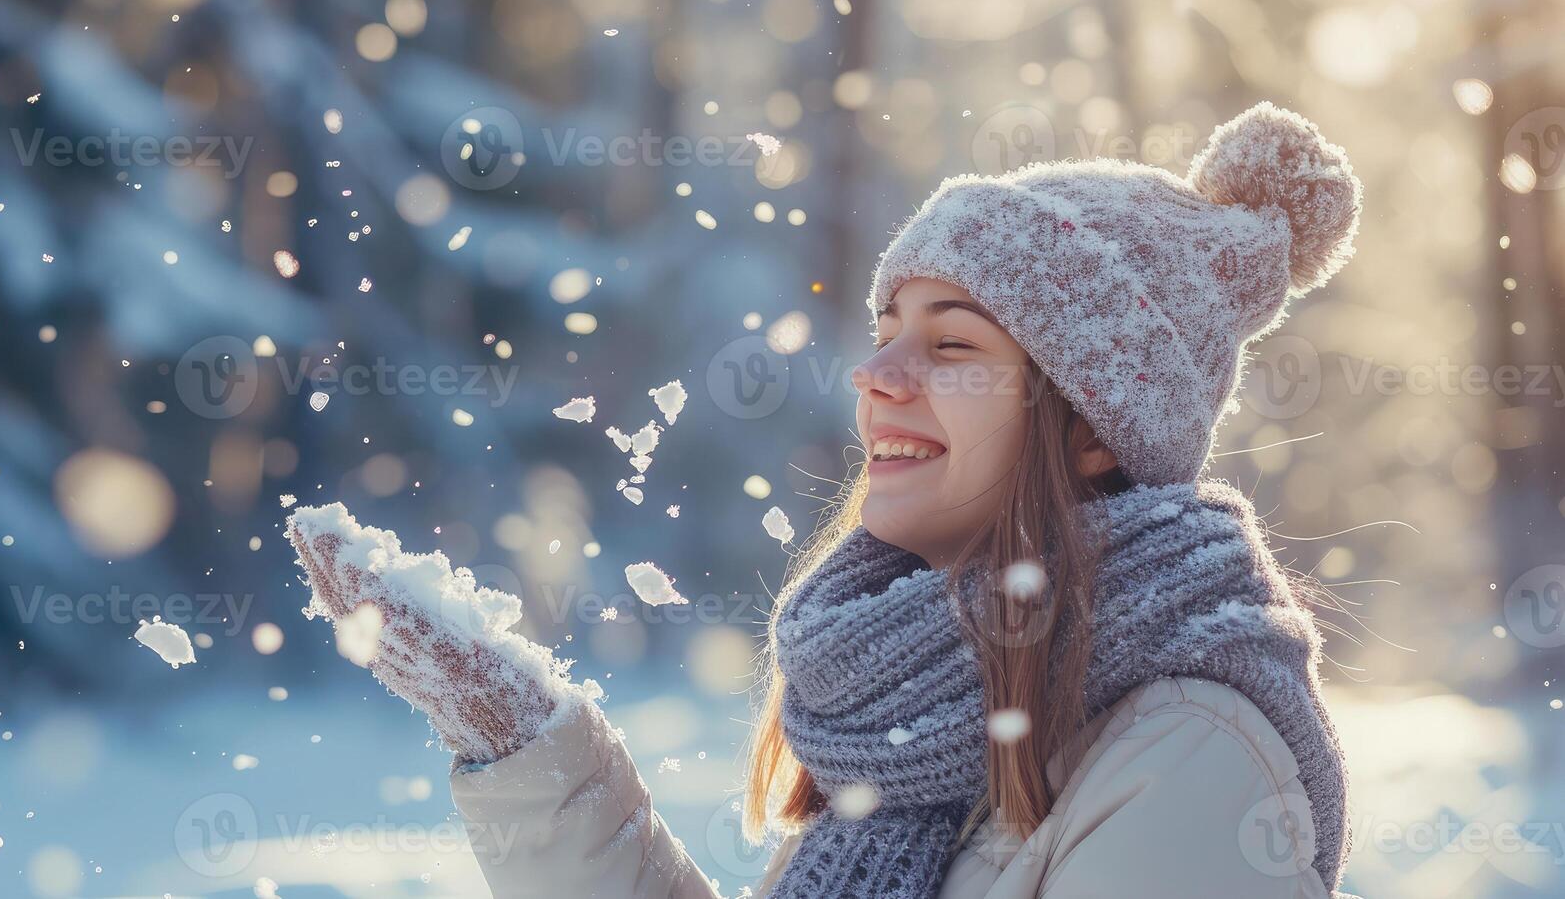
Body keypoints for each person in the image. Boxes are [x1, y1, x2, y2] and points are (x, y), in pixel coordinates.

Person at [287, 101, 1363, 898]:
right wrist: (526, 747)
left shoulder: (1191, 754)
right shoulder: (920, 708)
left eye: (950, 342)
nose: (879, 373)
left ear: (1091, 428)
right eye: (886, 330)